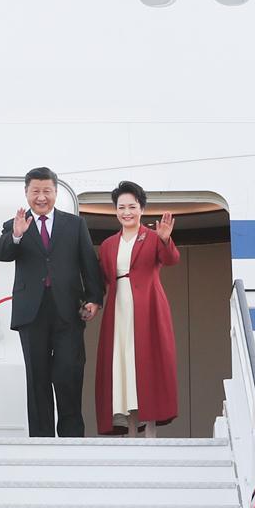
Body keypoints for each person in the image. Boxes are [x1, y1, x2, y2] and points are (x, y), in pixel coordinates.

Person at [0, 167, 103, 437]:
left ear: (56, 192)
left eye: (47, 191)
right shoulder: (15, 224)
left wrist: (94, 298)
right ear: (27, 193)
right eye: (35, 191)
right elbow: (1, 253)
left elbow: (89, 263)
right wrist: (16, 235)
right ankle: (40, 443)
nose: (41, 197)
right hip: (32, 313)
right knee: (37, 380)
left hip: (68, 311)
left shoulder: (74, 224)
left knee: (69, 375)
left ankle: (72, 440)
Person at [95, 181, 179, 437]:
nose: (127, 212)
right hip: (118, 309)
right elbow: (102, 279)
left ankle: (151, 430)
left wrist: (165, 240)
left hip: (149, 309)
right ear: (115, 211)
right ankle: (131, 429)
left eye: (132, 206)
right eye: (121, 207)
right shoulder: (109, 244)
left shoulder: (153, 237)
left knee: (147, 363)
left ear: (142, 208)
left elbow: (171, 259)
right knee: (123, 364)